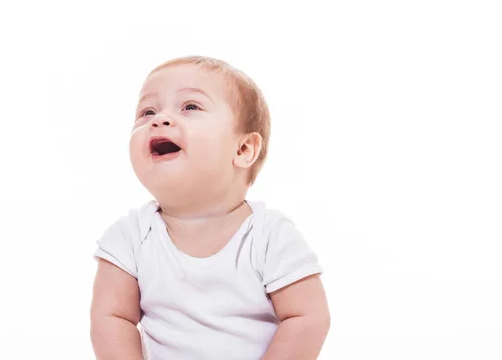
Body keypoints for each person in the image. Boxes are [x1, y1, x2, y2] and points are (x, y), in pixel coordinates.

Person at [90, 56, 330, 359]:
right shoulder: (129, 238)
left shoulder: (270, 235)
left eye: (190, 107)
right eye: (147, 111)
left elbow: (308, 317)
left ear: (243, 150)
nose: (159, 119)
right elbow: (112, 318)